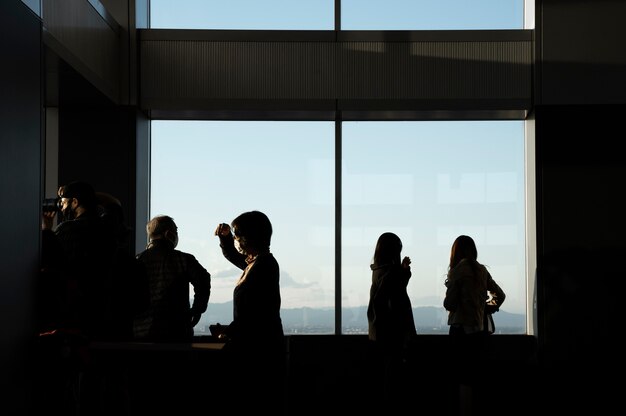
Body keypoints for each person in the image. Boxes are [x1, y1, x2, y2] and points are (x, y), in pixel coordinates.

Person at [213, 210, 285, 411]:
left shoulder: (263, 266)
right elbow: (235, 257)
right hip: (260, 345)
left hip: (260, 349)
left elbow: (253, 314)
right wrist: (226, 239)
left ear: (248, 238)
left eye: (237, 236)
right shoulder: (258, 263)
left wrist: (228, 331)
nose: (236, 241)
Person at [442, 234, 506, 415]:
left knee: (459, 377)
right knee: (475, 376)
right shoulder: (482, 271)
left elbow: (450, 304)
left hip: (459, 331)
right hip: (479, 331)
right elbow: (500, 296)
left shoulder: (457, 272)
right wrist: (487, 308)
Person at [133, 215, 211, 342]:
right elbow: (203, 279)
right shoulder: (183, 259)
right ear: (169, 234)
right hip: (177, 331)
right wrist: (197, 309)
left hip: (141, 333)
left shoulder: (136, 261)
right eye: (176, 231)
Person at [366, 232, 416, 411]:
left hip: (377, 334)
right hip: (393, 335)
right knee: (395, 383)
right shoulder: (392, 273)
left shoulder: (378, 271)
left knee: (382, 382)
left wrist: (403, 272)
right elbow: (396, 298)